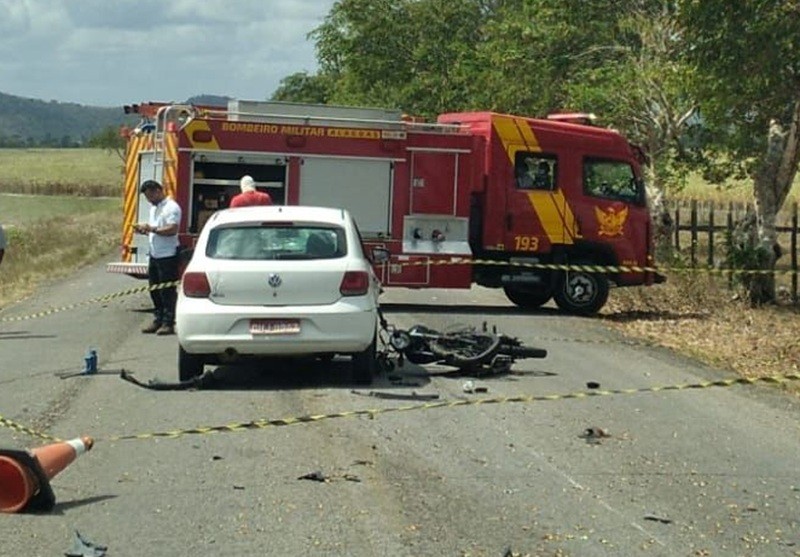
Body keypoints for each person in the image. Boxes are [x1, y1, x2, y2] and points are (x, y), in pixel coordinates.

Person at [133, 180, 182, 335]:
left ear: (158, 191)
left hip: (167, 255)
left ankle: (168, 322)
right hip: (154, 254)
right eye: (147, 197)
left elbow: (172, 229)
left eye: (150, 196)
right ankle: (158, 319)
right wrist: (144, 230)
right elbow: (156, 229)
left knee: (166, 291)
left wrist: (152, 229)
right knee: (154, 289)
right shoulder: (154, 209)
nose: (149, 200)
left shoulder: (171, 208)